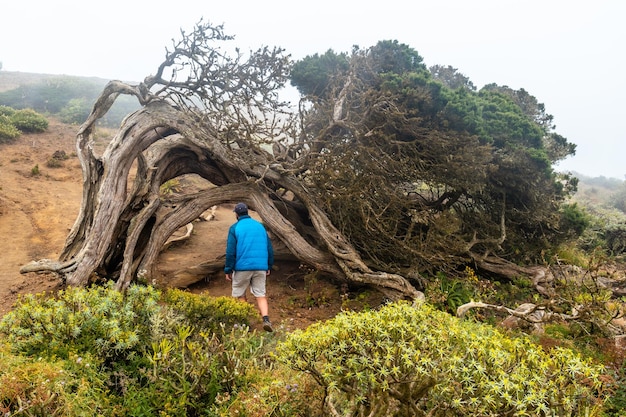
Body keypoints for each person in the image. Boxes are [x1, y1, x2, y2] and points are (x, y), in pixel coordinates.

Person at [224, 202, 275, 332]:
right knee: (260, 294)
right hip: (260, 266)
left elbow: (231, 251)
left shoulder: (235, 228)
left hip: (242, 267)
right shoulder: (260, 226)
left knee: (240, 294)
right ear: (247, 212)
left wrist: (228, 269)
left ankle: (243, 322)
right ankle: (266, 319)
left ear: (236, 214)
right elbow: (269, 247)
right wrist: (268, 265)